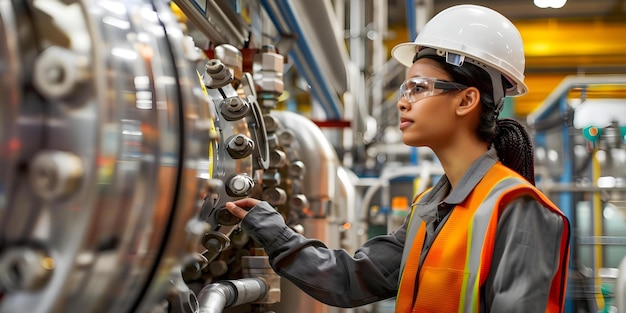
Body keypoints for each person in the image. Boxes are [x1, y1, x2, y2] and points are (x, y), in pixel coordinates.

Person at [226, 4, 571, 313]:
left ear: (466, 101)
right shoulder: (428, 210)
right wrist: (272, 230)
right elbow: (348, 280)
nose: (402, 102)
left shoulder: (518, 208)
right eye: (405, 89)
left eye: (418, 88)